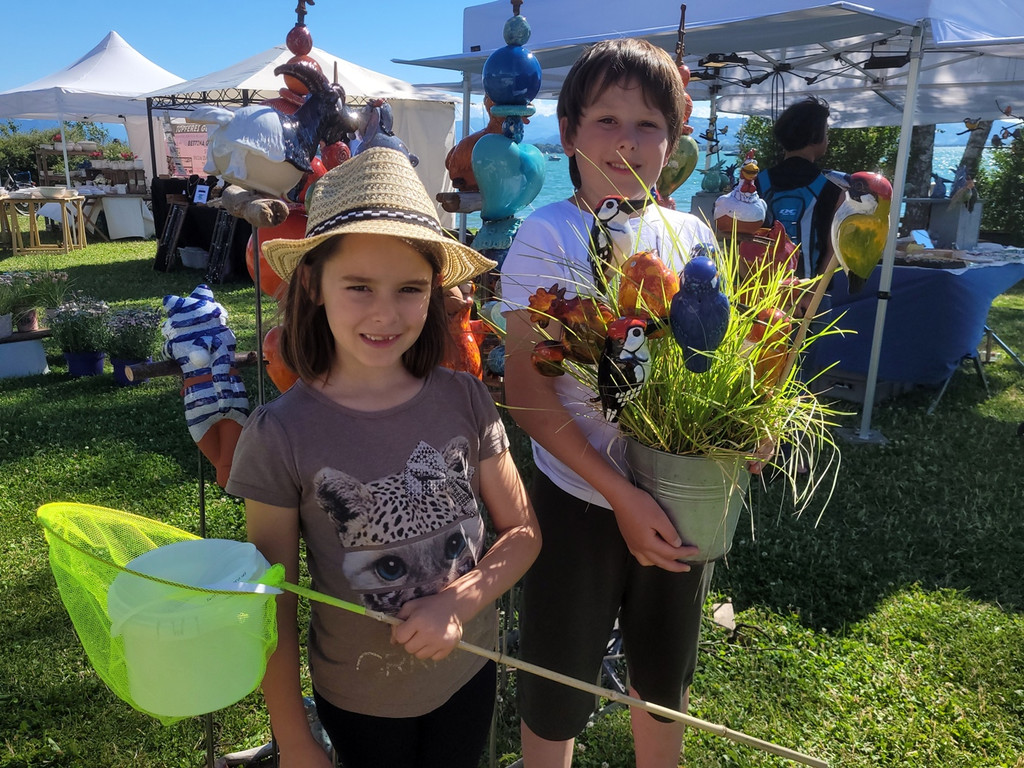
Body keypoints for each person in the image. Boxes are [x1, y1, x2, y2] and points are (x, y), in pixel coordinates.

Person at [226, 147, 540, 768]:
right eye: (359, 286)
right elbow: (272, 601)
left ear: (433, 293)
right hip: (359, 697)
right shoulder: (280, 434)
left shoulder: (466, 399)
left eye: (410, 289)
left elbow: (523, 533)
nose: (385, 313)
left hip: (470, 674)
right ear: (313, 284)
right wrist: (292, 738)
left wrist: (461, 600)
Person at [498, 38, 721, 768]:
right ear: (568, 133)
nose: (627, 142)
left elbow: (712, 366)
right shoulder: (547, 235)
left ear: (674, 139)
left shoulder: (691, 235)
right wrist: (620, 495)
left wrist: (741, 434)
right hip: (578, 496)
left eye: (649, 124)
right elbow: (528, 393)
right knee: (558, 683)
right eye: (605, 121)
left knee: (662, 677)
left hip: (679, 495)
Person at [755, 96, 843, 280]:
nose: (827, 139)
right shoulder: (832, 188)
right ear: (814, 136)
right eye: (826, 132)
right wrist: (812, 296)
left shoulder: (758, 183)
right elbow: (834, 252)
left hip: (760, 292)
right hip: (811, 294)